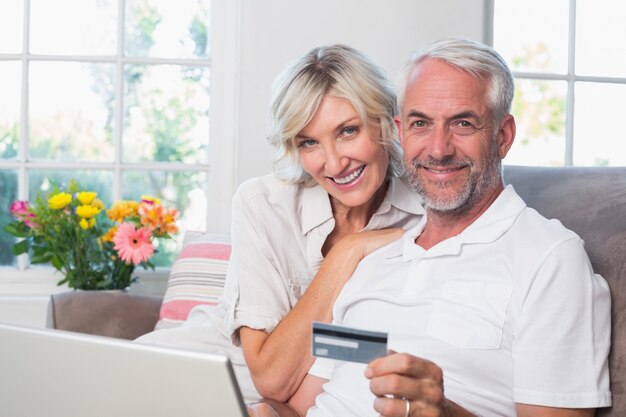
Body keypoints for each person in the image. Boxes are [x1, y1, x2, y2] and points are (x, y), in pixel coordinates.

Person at [267, 38, 611, 417]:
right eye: (420, 124)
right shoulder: (373, 259)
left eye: (463, 123)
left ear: (503, 136)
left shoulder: (550, 258)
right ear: (400, 132)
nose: (437, 148)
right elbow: (302, 406)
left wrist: (443, 411)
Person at [135, 44, 424, 403]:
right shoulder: (262, 203)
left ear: (385, 121)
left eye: (348, 131)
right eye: (309, 142)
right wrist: (347, 253)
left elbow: (385, 345)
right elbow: (271, 378)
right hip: (185, 367)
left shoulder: (426, 214)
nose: (333, 164)